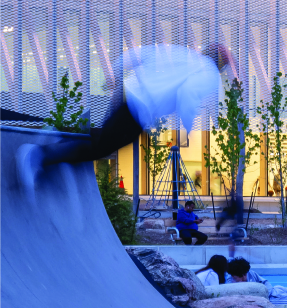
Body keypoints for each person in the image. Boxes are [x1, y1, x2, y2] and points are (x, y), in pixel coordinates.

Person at [16, 43, 230, 198]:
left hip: (129, 92)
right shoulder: (210, 74)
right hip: (140, 109)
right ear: (220, 66)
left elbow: (141, 54)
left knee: (104, 139)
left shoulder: (185, 54)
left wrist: (116, 72)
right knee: (100, 148)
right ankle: (38, 155)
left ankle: (59, 140)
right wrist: (188, 126)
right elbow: (188, 94)